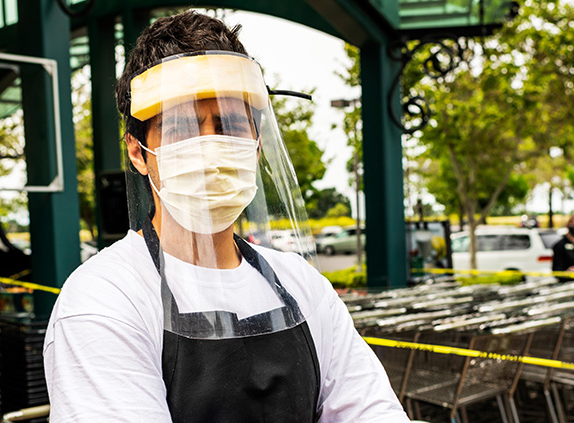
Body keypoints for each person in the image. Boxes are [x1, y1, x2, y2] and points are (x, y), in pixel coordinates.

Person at [43, 11, 409, 423]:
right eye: (184, 127)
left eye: (231, 124)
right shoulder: (107, 299)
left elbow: (371, 410)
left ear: (255, 146)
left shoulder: (304, 286)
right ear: (137, 152)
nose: (212, 145)